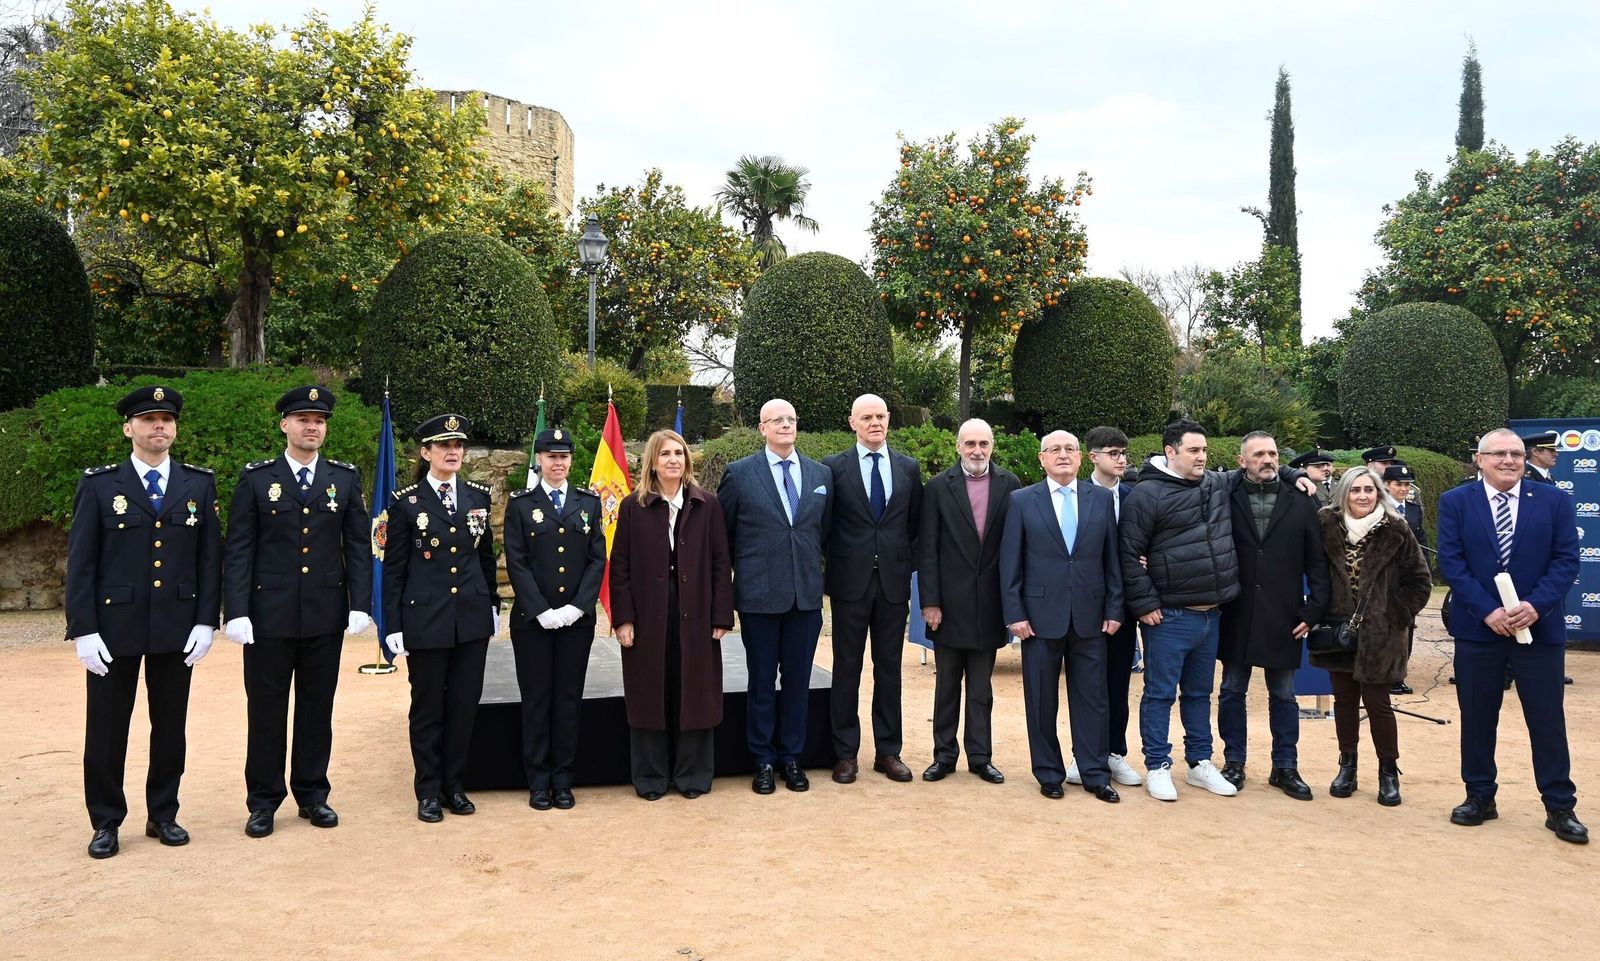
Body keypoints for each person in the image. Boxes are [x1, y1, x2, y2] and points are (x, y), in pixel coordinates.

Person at [1119, 419, 1314, 802]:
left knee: (1198, 694)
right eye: (1194, 450)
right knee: (1160, 694)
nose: (1202, 457)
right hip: (1169, 616)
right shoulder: (1146, 494)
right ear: (1170, 452)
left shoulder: (1215, 483)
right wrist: (1145, 604)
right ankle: (1158, 765)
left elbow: (1261, 465)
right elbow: (1128, 553)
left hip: (1212, 615)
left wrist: (1295, 473)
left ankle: (1198, 764)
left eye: (1205, 450)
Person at [66, 385, 221, 859]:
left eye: (167, 420)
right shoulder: (99, 485)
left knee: (170, 726)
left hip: (177, 627)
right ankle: (107, 821)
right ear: (128, 428)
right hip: (115, 630)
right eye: (149, 419)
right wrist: (84, 628)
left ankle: (163, 814)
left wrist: (204, 621)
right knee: (108, 728)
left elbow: (208, 559)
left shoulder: (198, 484)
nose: (160, 427)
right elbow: (82, 563)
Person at [223, 385, 372, 839]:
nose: (313, 427)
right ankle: (264, 801)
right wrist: (237, 610)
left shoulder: (344, 479)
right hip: (268, 616)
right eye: (304, 419)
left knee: (316, 708)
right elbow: (239, 549)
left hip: (325, 614)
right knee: (266, 710)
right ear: (284, 424)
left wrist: (359, 604)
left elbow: (358, 548)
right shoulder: (256, 479)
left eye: (320, 420)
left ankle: (312, 794)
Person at [1437, 428, 1586, 844]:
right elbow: (1452, 561)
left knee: (1547, 720)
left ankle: (1559, 806)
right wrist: (1488, 611)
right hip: (1479, 631)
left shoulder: (1555, 502)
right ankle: (1480, 796)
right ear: (1479, 459)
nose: (1509, 460)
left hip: (1539, 630)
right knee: (1479, 717)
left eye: (1516, 454)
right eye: (1499, 453)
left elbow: (1566, 560)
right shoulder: (1455, 502)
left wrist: (1535, 606)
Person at [382, 414, 500, 823]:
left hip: (470, 617)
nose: (453, 452)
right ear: (425, 452)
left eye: (459, 446)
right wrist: (392, 624)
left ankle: (454, 784)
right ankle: (428, 790)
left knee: (464, 705)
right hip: (425, 618)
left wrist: (492, 604)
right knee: (428, 705)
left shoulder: (477, 497)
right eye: (444, 445)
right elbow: (394, 569)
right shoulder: (405, 503)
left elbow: (485, 556)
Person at [999, 430, 1124, 803]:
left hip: (1091, 615)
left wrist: (1115, 607)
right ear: (1042, 459)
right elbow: (1010, 563)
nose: (1063, 455)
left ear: (1082, 457)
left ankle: (1095, 773)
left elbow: (1112, 559)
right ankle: (1049, 772)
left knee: (1093, 700)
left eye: (1070, 449)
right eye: (1054, 449)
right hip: (1038, 618)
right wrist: (1015, 614)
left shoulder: (1100, 499)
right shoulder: (1021, 500)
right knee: (1041, 699)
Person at [610, 430, 735, 799]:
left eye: (679, 453)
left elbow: (719, 562)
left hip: (694, 613)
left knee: (694, 691)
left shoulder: (707, 503)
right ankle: (650, 777)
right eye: (665, 454)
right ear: (653, 460)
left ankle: (693, 775)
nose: (673, 460)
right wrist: (624, 618)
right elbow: (620, 566)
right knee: (649, 690)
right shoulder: (633, 506)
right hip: (648, 613)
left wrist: (720, 615)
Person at [718, 398, 833, 794]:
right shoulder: (739, 474)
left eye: (791, 419)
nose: (785, 425)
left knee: (799, 682)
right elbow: (725, 539)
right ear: (762, 428)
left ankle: (792, 758)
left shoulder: (821, 474)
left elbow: (824, 535)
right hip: (759, 598)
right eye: (777, 420)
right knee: (762, 682)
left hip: (805, 599)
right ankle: (763, 760)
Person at [1216, 432, 1330, 799]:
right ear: (1241, 461)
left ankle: (1285, 767)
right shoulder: (1224, 497)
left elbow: (1318, 561)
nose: (1268, 459)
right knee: (1232, 690)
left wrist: (1313, 611)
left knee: (1283, 695)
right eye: (1259, 454)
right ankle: (1233, 762)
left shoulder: (1302, 500)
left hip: (1285, 614)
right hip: (1236, 610)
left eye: (1274, 454)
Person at [1311, 466, 1431, 807]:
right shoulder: (1325, 525)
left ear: (1379, 493)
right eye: (1355, 490)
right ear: (1343, 493)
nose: (1363, 496)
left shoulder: (1396, 529)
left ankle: (1388, 771)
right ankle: (1347, 766)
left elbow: (1420, 581)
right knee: (1344, 703)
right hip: (1338, 632)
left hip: (1382, 634)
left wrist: (1395, 615)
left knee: (1379, 705)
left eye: (1369, 489)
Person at [502, 428, 606, 811]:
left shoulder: (587, 503)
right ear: (539, 460)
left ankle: (563, 780)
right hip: (533, 623)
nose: (558, 463)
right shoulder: (520, 505)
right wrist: (541, 609)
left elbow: (598, 558)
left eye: (564, 457)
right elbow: (516, 561)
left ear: (570, 462)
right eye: (550, 456)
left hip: (575, 622)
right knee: (536, 701)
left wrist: (578, 606)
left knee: (567, 700)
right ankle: (538, 782)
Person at [823, 394, 924, 784]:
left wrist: (903, 565)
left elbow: (914, 526)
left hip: (893, 586)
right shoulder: (833, 468)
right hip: (850, 584)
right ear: (852, 422)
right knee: (846, 670)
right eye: (866, 417)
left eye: (880, 416)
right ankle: (845, 753)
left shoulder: (908, 468)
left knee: (890, 671)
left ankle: (888, 751)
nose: (875, 423)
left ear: (889, 420)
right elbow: (825, 527)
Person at [918, 419, 1022, 785]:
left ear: (992, 446)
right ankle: (943, 756)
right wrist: (929, 601)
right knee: (947, 685)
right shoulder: (937, 488)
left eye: (984, 443)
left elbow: (1015, 549)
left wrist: (1013, 605)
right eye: (970, 443)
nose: (977, 450)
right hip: (948, 605)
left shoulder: (1010, 485)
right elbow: (927, 548)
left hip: (990, 605)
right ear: (958, 447)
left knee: (981, 688)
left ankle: (980, 757)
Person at [1071, 425, 1144, 788]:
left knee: (1117, 682)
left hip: (1124, 606)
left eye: (1123, 453)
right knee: (1084, 685)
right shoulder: (1075, 494)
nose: (1120, 459)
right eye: (1112, 452)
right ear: (1093, 456)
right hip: (1081, 603)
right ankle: (1083, 753)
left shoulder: (1136, 496)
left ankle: (1114, 752)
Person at [1382, 461, 1427, 695]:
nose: (1404, 489)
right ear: (1386, 485)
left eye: (1407, 485)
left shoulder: (1413, 510)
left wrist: (1424, 572)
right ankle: (1385, 674)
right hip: (1385, 578)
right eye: (1399, 484)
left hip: (1408, 578)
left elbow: (1422, 543)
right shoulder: (1377, 508)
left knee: (1406, 626)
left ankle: (1399, 674)